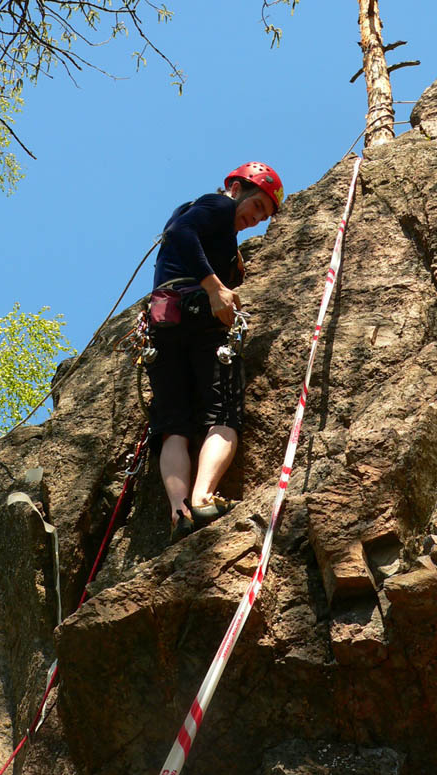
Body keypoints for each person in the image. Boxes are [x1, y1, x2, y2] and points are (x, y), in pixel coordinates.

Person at [146, 162, 284, 542]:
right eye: (257, 208)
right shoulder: (217, 206)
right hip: (199, 316)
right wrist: (214, 287)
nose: (256, 220)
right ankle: (203, 496)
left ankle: (179, 512)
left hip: (165, 323)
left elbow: (182, 234)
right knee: (222, 413)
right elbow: (180, 232)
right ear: (237, 190)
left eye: (264, 218)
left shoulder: (210, 223)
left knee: (173, 424)